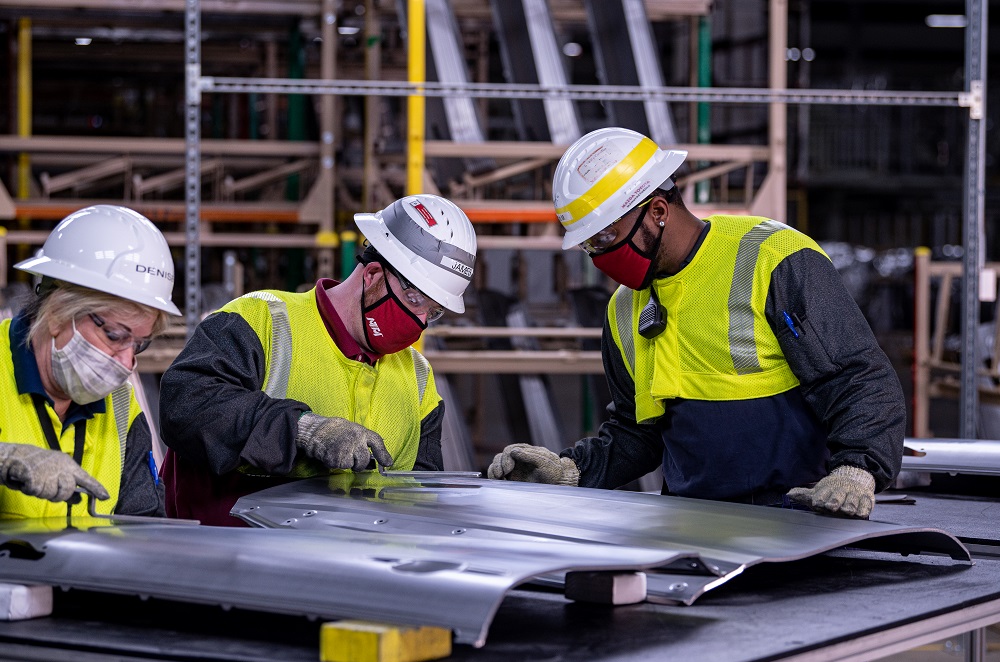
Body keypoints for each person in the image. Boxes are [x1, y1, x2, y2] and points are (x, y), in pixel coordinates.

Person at [488, 127, 905, 519]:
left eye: (604, 238)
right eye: (587, 245)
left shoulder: (772, 258)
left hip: (799, 521)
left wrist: (857, 469)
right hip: (692, 525)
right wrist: (570, 472)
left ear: (657, 211)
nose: (597, 257)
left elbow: (858, 378)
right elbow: (637, 432)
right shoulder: (622, 311)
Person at [158, 194, 477, 526]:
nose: (422, 320)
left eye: (435, 311)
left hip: (344, 570)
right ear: (372, 276)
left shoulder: (417, 376)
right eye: (415, 299)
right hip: (225, 564)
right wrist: (301, 429)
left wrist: (506, 485)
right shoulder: (261, 320)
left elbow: (421, 499)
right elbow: (186, 405)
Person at [0, 204, 178, 519]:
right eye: (114, 335)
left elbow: (144, 528)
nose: (126, 363)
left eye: (139, 343)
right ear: (56, 314)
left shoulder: (122, 409)